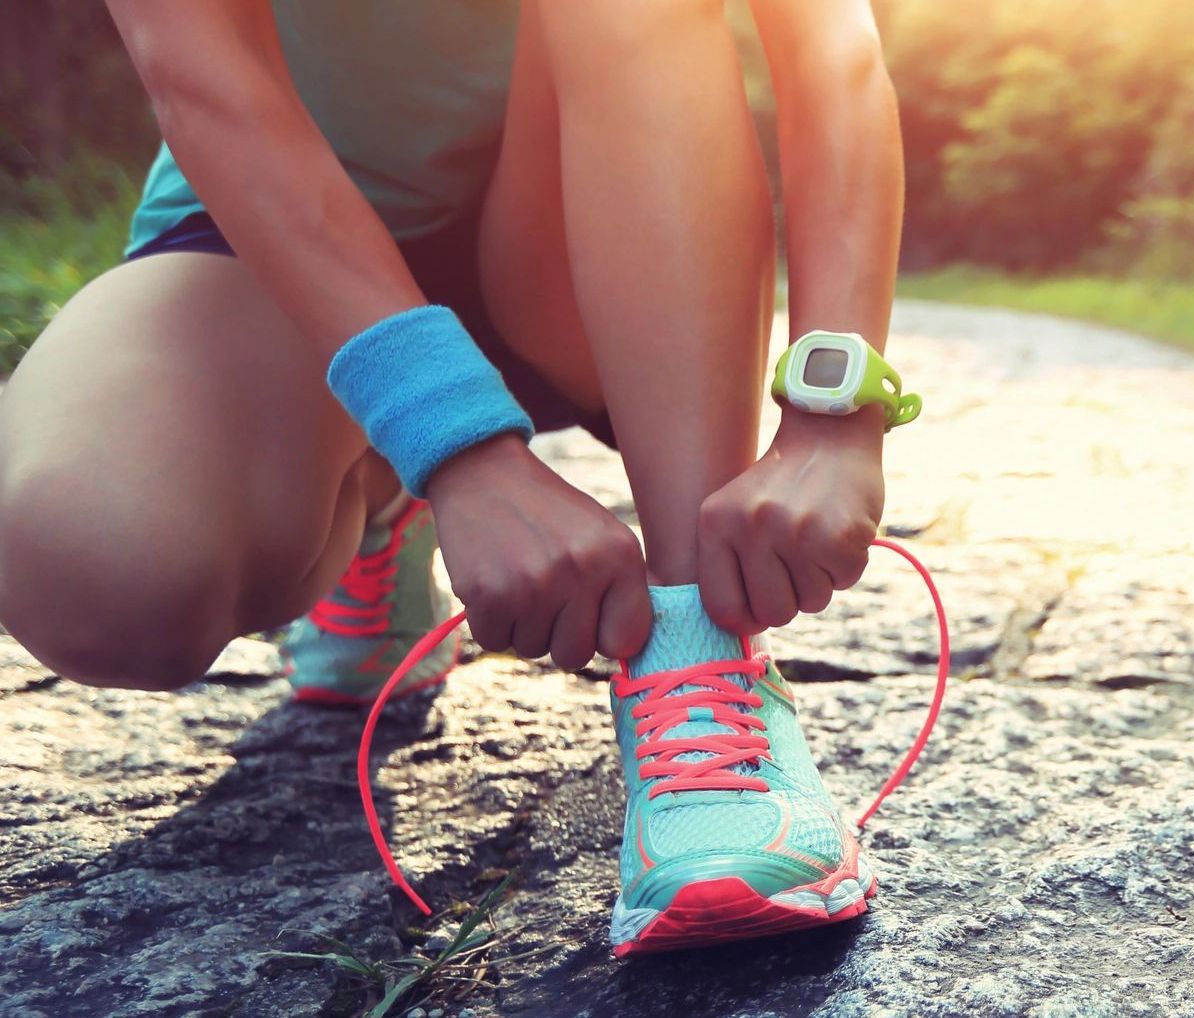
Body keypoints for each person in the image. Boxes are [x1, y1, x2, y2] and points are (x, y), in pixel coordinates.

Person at [0, 0, 909, 954]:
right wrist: (452, 448)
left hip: (587, 233)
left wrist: (834, 414)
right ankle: (385, 493)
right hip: (281, 251)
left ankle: (699, 655)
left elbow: (830, 41)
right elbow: (200, 75)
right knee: (98, 563)